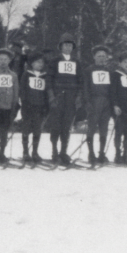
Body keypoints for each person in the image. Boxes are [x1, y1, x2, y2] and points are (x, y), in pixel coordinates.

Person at [48, 32, 82, 165]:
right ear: (60, 46)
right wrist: (51, 96)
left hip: (71, 98)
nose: (67, 47)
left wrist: (79, 96)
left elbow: (80, 80)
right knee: (56, 125)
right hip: (58, 97)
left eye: (70, 45)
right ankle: (54, 151)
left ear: (72, 47)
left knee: (66, 125)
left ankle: (63, 152)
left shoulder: (76, 62)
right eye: (65, 45)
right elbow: (49, 79)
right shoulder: (55, 61)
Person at [19, 52, 50, 163]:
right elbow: (22, 89)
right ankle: (25, 152)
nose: (40, 64)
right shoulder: (26, 74)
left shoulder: (45, 75)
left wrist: (46, 105)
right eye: (38, 62)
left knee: (37, 129)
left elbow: (46, 91)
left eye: (42, 62)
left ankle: (35, 152)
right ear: (32, 63)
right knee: (26, 128)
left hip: (40, 106)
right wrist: (24, 101)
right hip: (28, 106)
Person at [84, 45, 113, 164]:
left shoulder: (109, 71)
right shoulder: (89, 70)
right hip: (94, 101)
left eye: (104, 56)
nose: (101, 58)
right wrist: (87, 102)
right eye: (99, 56)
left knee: (104, 128)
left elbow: (112, 88)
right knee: (91, 127)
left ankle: (101, 153)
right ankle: (91, 153)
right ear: (94, 57)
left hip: (106, 101)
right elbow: (85, 87)